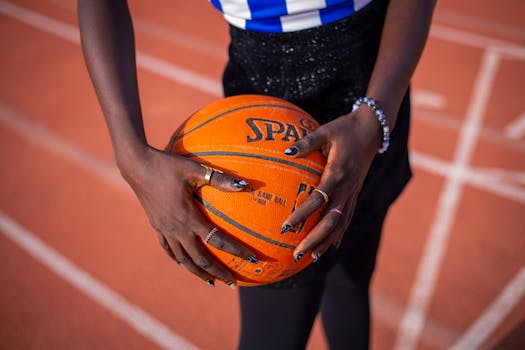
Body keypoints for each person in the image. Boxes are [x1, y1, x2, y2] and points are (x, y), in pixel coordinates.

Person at [77, 0, 436, 349]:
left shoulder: (376, 113)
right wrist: (130, 155)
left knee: (353, 276)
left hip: (379, 84)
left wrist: (375, 119)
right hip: (268, 102)